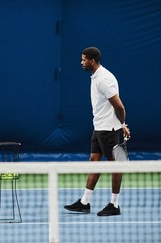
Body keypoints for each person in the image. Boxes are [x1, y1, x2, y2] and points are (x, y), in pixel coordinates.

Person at [64, 47, 131, 216]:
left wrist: (122, 124)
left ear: (92, 61)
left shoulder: (104, 79)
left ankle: (114, 204)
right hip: (99, 127)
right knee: (94, 161)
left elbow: (119, 106)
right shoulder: (95, 76)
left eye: (83, 59)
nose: (81, 62)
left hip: (109, 129)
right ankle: (85, 202)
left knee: (115, 166)